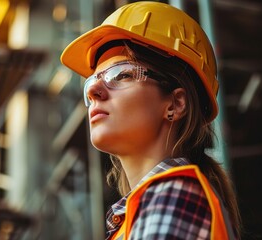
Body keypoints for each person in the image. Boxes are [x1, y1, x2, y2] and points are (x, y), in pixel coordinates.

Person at [61, 1, 241, 239]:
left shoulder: (172, 196)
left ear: (175, 104)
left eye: (121, 74)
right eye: (92, 81)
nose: (94, 90)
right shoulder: (141, 212)